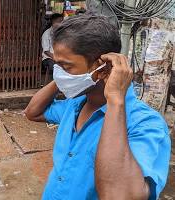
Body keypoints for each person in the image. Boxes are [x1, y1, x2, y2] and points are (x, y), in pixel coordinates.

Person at [25, 14, 171, 200]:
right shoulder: (75, 105)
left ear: (101, 68)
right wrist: (63, 77)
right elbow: (33, 112)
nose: (58, 72)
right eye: (57, 64)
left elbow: (119, 196)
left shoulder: (145, 124)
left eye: (66, 66)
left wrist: (116, 101)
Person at [41, 13, 63, 78]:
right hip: (48, 58)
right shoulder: (46, 34)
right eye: (60, 21)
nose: (61, 23)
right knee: (56, 68)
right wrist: (55, 58)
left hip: (59, 57)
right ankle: (57, 84)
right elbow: (46, 51)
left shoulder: (61, 33)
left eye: (62, 21)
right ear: (54, 21)